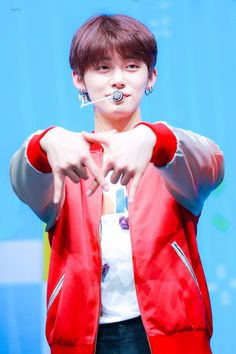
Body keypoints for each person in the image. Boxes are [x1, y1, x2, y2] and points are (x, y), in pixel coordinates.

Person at [10, 14, 224, 354]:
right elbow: (22, 180)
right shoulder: (64, 158)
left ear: (151, 77)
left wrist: (154, 139)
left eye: (132, 66)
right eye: (102, 68)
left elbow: (212, 162)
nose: (119, 81)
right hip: (85, 340)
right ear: (79, 79)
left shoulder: (171, 157)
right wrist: (44, 142)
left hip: (170, 337)